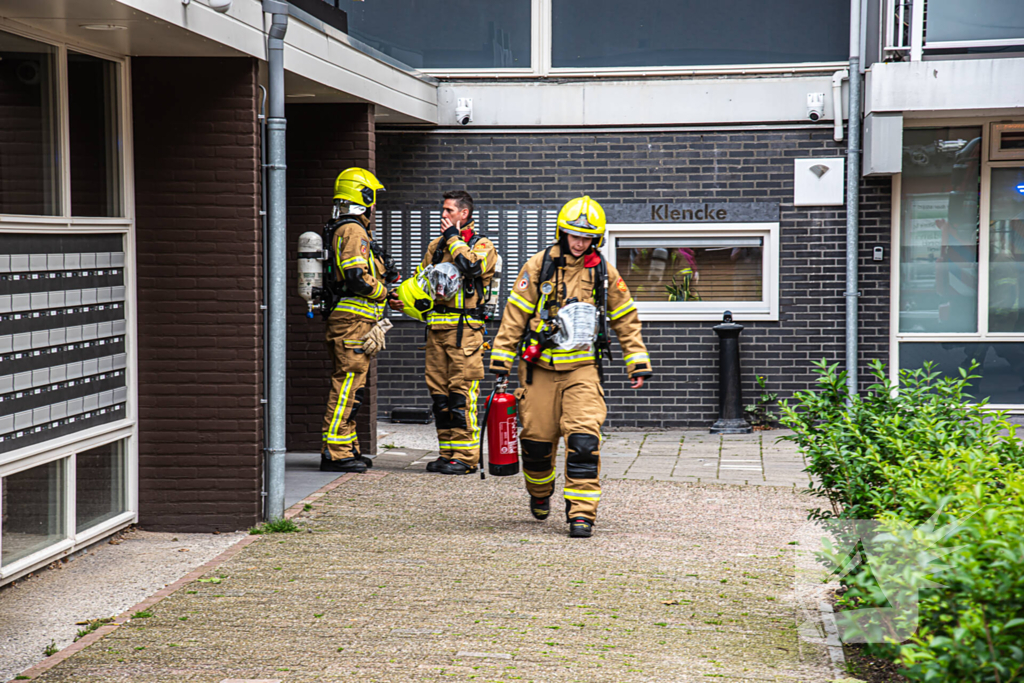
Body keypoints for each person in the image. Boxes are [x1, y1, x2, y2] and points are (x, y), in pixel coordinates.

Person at [488, 196, 652, 537]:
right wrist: (501, 358)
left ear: (597, 238)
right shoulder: (538, 266)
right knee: (536, 445)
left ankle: (582, 513)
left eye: (587, 237)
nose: (580, 242)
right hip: (538, 372)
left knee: (583, 443)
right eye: (574, 235)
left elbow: (625, 316)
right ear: (562, 233)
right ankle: (539, 492)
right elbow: (515, 313)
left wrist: (636, 361)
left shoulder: (602, 273)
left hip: (582, 370)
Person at [391, 191, 498, 475]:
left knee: (461, 395)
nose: (444, 214)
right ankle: (447, 452)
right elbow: (422, 284)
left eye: (449, 210)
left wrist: (453, 236)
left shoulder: (482, 244)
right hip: (436, 330)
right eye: (444, 210)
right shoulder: (435, 247)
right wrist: (403, 301)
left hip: (466, 332)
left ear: (464, 214)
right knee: (440, 397)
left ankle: (465, 458)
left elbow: (472, 267)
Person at [320, 167, 395, 473]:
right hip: (352, 323)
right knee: (347, 386)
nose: (374, 205)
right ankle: (335, 452)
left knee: (356, 389)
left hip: (356, 323)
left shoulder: (346, 228)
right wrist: (384, 292)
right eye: (372, 197)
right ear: (362, 197)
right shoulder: (353, 231)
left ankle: (347, 447)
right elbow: (355, 278)